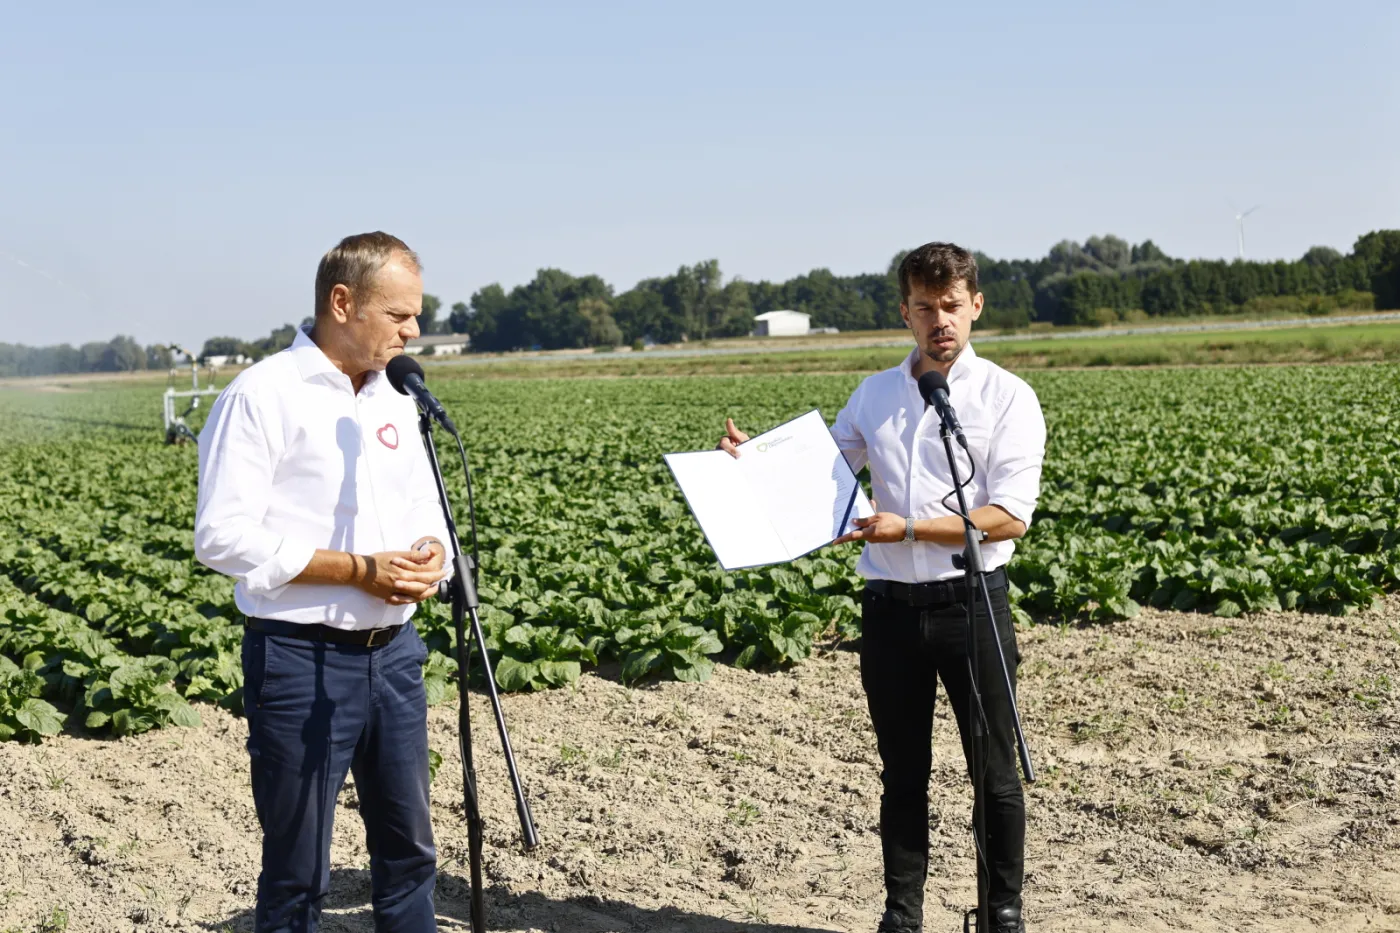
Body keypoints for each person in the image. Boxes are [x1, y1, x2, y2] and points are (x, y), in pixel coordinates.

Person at [719, 242, 1045, 933]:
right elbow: (820, 474)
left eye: (951, 305)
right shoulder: (874, 394)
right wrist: (752, 463)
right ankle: (902, 915)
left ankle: (1002, 914)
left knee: (994, 774)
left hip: (973, 605)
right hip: (891, 613)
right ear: (904, 311)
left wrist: (910, 529)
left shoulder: (1007, 397)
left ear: (976, 305)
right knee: (903, 773)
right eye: (925, 307)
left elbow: (1009, 514)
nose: (940, 321)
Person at [195, 231, 451, 933]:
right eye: (399, 314)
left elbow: (427, 514)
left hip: (395, 657)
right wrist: (357, 569)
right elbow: (221, 536)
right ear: (343, 302)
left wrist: (431, 555)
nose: (414, 329)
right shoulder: (263, 395)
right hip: (301, 659)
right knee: (297, 873)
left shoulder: (400, 395)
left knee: (409, 859)